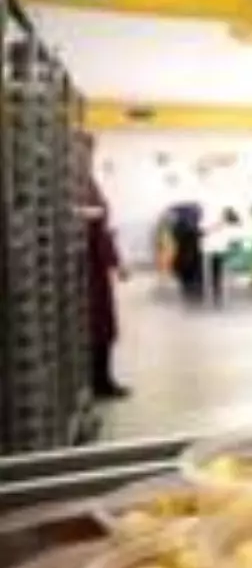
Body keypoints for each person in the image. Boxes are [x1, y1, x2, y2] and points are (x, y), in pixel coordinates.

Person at [77, 133, 130, 399]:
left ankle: (103, 381)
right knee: (86, 327)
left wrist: (117, 263)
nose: (86, 156)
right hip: (77, 268)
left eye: (89, 151)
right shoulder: (68, 184)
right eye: (82, 150)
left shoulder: (90, 183)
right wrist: (80, 213)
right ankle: (89, 383)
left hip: (96, 266)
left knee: (104, 327)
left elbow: (103, 228)